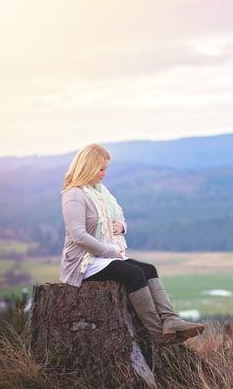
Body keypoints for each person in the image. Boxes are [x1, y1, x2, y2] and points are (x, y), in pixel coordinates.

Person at [59, 143, 204, 345]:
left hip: (103, 255)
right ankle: (156, 333)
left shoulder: (100, 192)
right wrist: (108, 251)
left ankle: (171, 320)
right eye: (100, 169)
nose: (104, 173)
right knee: (133, 273)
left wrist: (121, 227)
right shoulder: (74, 194)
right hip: (84, 262)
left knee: (148, 269)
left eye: (105, 169)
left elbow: (116, 218)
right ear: (88, 167)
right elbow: (78, 235)